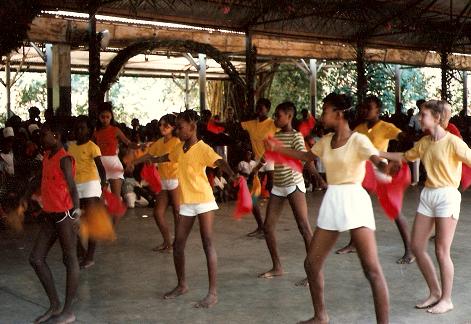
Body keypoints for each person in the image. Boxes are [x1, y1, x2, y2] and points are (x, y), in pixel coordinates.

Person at [266, 93, 389, 324]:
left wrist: (385, 166)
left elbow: (376, 160)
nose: (321, 115)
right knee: (311, 263)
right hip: (333, 201)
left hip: (354, 201)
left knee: (372, 270)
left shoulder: (358, 140)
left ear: (339, 114)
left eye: (325, 110)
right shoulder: (325, 141)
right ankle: (320, 315)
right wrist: (278, 148)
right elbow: (304, 156)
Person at [381, 99, 471, 314]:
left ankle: (447, 299)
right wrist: (379, 154)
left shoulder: (454, 142)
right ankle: (434, 292)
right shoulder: (424, 142)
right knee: (417, 246)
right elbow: (405, 156)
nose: (419, 118)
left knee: (442, 251)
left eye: (423, 115)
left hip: (447, 196)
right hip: (428, 194)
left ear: (437, 118)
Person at [149, 110, 235, 308]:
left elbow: (220, 161)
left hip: (203, 200)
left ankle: (212, 293)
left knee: (207, 243)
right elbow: (166, 157)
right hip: (187, 202)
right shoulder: (180, 148)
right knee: (178, 245)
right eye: (176, 127)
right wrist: (150, 159)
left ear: (192, 127)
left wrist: (231, 175)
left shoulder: (203, 148)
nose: (177, 130)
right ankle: (182, 285)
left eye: (180, 127)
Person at [336, 95, 414, 264]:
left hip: (380, 168)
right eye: (363, 107)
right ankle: (353, 243)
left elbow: (405, 139)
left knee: (393, 208)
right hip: (361, 170)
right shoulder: (359, 128)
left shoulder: (386, 127)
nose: (364, 110)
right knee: (354, 205)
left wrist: (395, 159)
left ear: (377, 110)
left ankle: (409, 250)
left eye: (368, 108)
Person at [29, 120, 81, 324]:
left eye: (44, 134)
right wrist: (27, 195)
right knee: (36, 258)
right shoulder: (48, 157)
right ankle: (55, 305)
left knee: (70, 260)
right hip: (51, 214)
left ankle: (68, 310)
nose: (41, 138)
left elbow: (73, 188)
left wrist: (77, 212)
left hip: (65, 215)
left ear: (56, 136)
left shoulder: (64, 159)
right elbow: (40, 179)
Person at [258, 102, 314, 287]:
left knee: (304, 227)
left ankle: (314, 272)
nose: (275, 118)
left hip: (293, 184)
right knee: (268, 227)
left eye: (278, 115)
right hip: (279, 186)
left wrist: (319, 179)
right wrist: (255, 168)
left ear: (289, 117)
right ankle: (277, 267)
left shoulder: (296, 136)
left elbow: (303, 157)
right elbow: (269, 157)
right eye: (274, 115)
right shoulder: (276, 135)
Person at [132, 114, 181, 252]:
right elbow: (149, 155)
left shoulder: (177, 142)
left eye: (166, 125)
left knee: (177, 213)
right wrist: (133, 162)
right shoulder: (159, 142)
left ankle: (178, 243)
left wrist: (154, 160)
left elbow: (169, 158)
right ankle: (167, 242)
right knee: (157, 213)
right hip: (163, 181)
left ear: (173, 127)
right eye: (161, 124)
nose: (162, 127)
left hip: (175, 179)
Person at [67, 115, 107, 269]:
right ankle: (80, 249)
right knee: (74, 220)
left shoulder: (92, 147)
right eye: (77, 128)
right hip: (75, 186)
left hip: (90, 185)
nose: (78, 131)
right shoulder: (70, 146)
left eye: (82, 128)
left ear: (89, 131)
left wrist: (102, 186)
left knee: (91, 222)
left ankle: (89, 257)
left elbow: (101, 168)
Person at [93, 102, 141, 202]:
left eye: (107, 117)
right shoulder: (96, 132)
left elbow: (128, 142)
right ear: (99, 117)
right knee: (100, 196)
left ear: (111, 117)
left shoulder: (115, 130)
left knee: (116, 197)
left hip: (113, 162)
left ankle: (115, 216)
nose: (105, 119)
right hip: (99, 164)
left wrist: (139, 146)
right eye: (103, 117)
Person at [241, 98, 277, 196]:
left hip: (269, 156)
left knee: (271, 181)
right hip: (257, 157)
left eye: (261, 108)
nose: (258, 111)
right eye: (257, 108)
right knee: (256, 183)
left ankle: (274, 201)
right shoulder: (251, 123)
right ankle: (254, 202)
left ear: (267, 109)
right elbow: (237, 126)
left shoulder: (272, 124)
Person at [238, 149, 264, 237]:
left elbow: (259, 170)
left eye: (249, 154)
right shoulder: (242, 163)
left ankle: (262, 228)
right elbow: (239, 172)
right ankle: (262, 227)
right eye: (247, 154)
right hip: (248, 182)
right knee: (253, 204)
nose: (248, 156)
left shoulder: (255, 161)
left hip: (254, 182)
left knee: (253, 203)